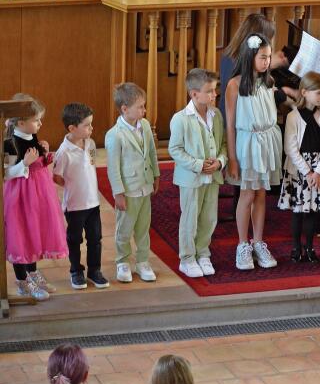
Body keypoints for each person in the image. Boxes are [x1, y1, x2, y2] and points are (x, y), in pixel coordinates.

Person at [225, 33, 285, 270]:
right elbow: (230, 124)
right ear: (250, 56)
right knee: (247, 195)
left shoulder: (268, 82)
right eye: (262, 57)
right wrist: (232, 157)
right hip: (248, 144)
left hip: (268, 141)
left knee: (261, 194)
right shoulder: (234, 85)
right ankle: (242, 244)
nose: (267, 62)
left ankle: (258, 241)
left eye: (269, 57)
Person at [3, 93, 67, 301]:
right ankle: (22, 281)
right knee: (22, 233)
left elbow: (38, 162)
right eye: (36, 120)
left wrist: (45, 156)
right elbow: (6, 173)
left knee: (34, 232)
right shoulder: (10, 142)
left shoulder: (31, 136)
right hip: (20, 195)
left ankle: (32, 273)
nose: (40, 124)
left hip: (39, 192)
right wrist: (25, 164)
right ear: (21, 122)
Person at [168, 69, 227, 278]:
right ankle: (187, 257)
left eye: (215, 90)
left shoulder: (216, 115)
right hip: (192, 178)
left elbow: (223, 145)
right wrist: (198, 164)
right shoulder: (181, 119)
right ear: (194, 94)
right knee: (190, 218)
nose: (214, 95)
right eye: (209, 91)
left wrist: (220, 162)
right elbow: (175, 150)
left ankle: (203, 253)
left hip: (213, 177)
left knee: (209, 217)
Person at [106, 83, 160, 283]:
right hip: (128, 191)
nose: (144, 111)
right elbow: (113, 168)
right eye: (140, 107)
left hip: (144, 187)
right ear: (125, 109)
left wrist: (156, 175)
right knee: (125, 228)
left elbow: (152, 152)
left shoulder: (144, 126)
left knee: (143, 227)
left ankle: (143, 261)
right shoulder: (115, 135)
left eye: (144, 106)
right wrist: (118, 193)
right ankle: (122, 261)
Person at [278, 71, 320, 263]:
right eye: (318, 93)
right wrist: (308, 171)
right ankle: (296, 247)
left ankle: (310, 247)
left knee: (312, 211)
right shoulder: (293, 116)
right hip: (299, 169)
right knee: (298, 211)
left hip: (318, 168)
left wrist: (318, 171)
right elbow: (290, 148)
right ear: (304, 92)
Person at [53, 102, 109, 290]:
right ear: (72, 128)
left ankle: (95, 270)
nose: (91, 128)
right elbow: (57, 176)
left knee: (95, 238)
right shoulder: (64, 152)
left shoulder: (91, 144)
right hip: (75, 206)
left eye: (91, 124)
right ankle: (76, 271)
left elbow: (92, 163)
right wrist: (73, 186)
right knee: (75, 239)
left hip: (93, 203)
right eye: (87, 125)